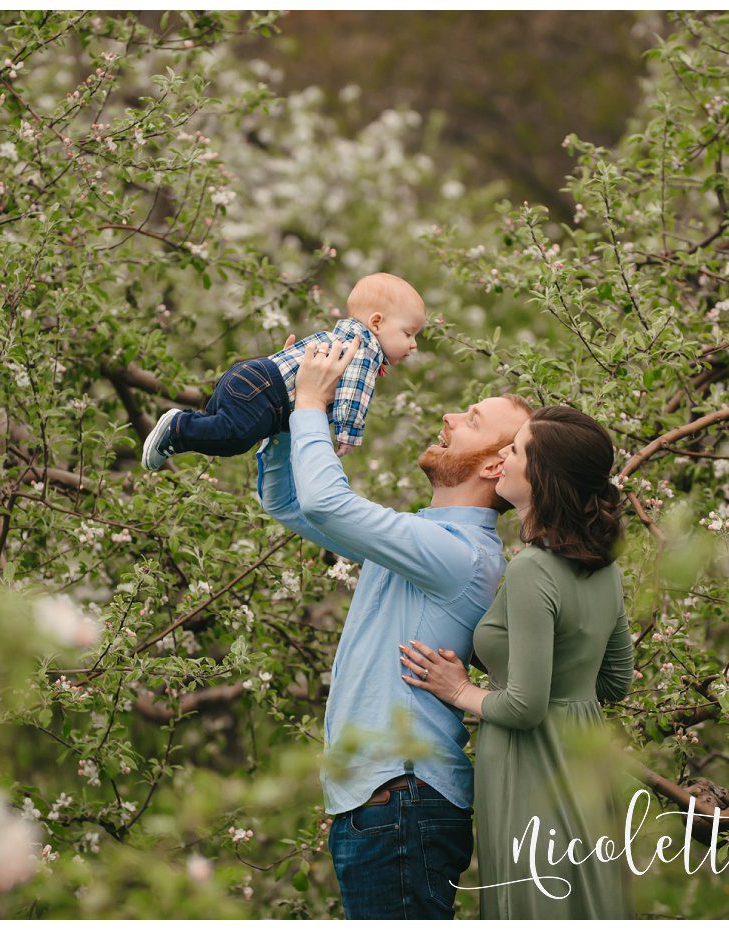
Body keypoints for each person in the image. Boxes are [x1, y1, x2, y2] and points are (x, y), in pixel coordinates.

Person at [257, 333, 531, 919]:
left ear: (495, 463)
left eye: (473, 418)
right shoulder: (425, 539)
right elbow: (290, 502)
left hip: (403, 803)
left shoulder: (458, 553)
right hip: (385, 805)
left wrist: (311, 405)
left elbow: (329, 503)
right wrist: (288, 412)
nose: (449, 416)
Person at [398, 405, 634, 918]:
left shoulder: (532, 570)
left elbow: (524, 706)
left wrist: (460, 691)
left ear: (542, 476)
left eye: (516, 449)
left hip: (535, 767)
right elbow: (614, 683)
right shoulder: (605, 570)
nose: (502, 455)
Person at [140, 273, 426, 470]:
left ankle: (183, 428)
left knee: (222, 427)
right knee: (234, 437)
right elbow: (353, 395)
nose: (412, 346)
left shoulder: (338, 337)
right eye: (408, 333)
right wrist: (348, 434)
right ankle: (177, 430)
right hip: (264, 391)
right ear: (376, 323)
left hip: (252, 378)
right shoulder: (363, 350)